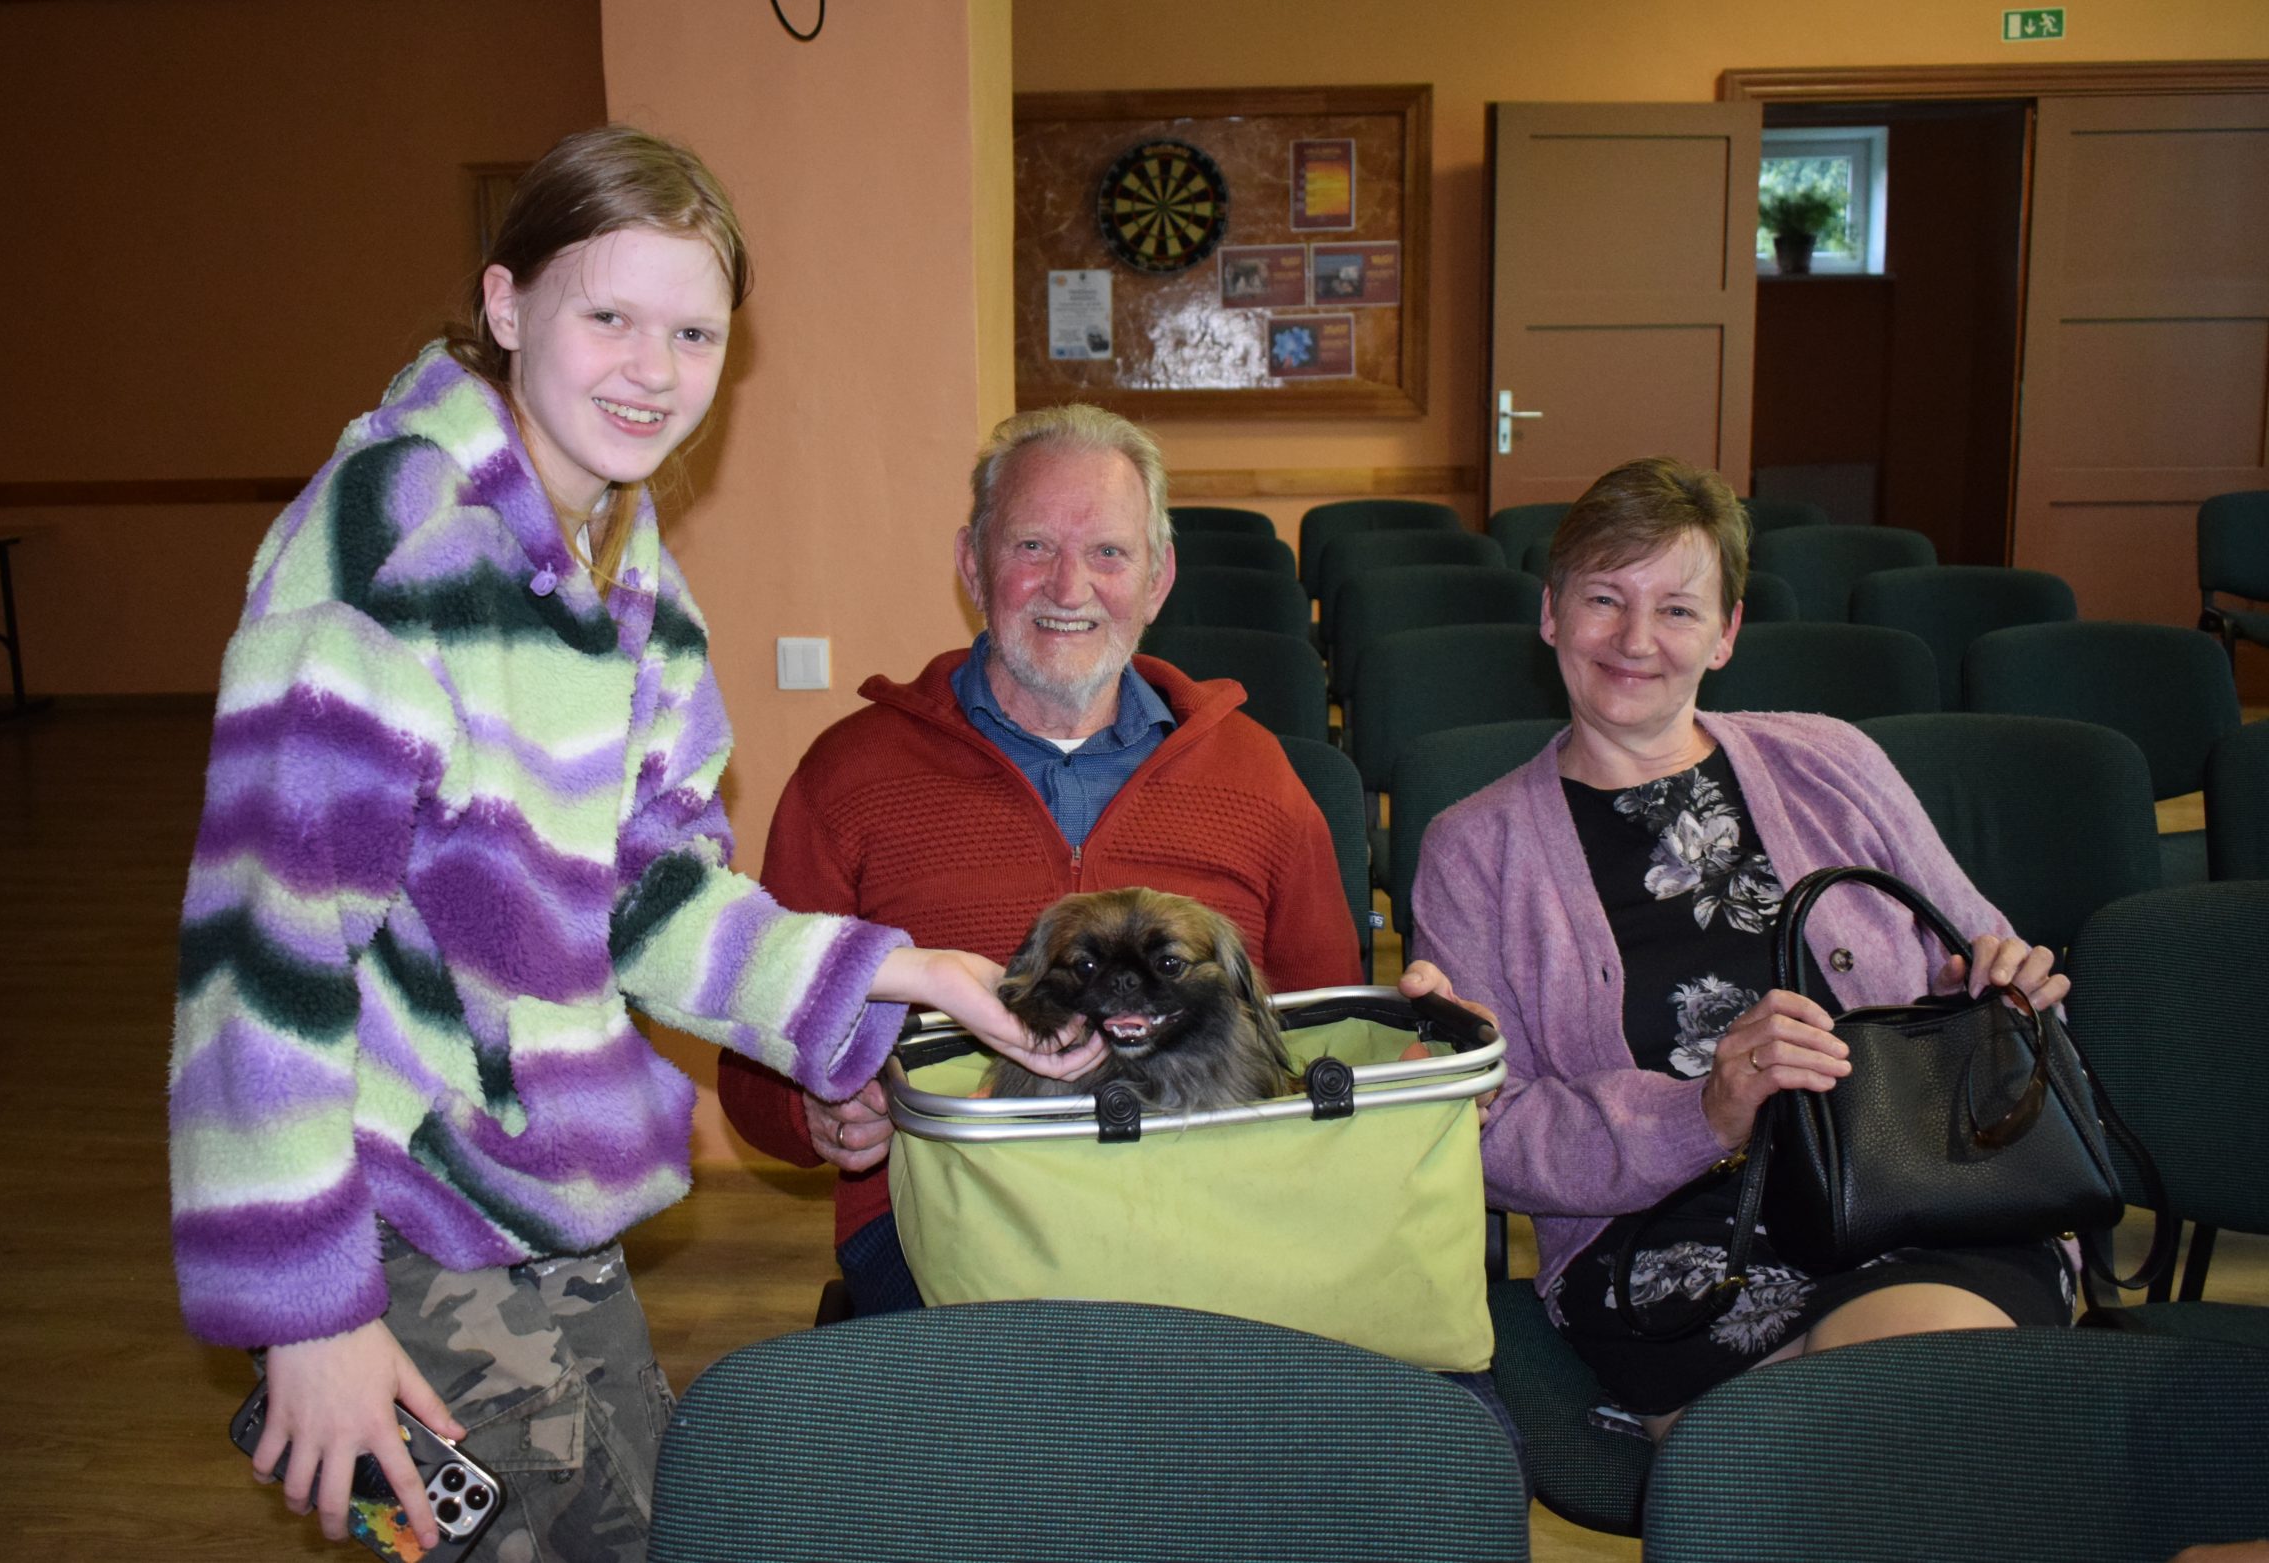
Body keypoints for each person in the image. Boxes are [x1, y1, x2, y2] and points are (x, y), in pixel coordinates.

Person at [166, 125, 1096, 1561]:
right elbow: (263, 943)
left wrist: (899, 973)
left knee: (661, 1523)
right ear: (505, 303)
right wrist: (308, 1312)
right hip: (394, 1211)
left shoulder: (633, 575)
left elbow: (651, 897)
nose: (652, 370)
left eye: (693, 333)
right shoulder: (389, 538)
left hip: (548, 1198)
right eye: (609, 316)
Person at [1405, 456, 2076, 1437]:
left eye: (1677, 609)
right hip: (1662, 1244)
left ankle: (1736, 1458)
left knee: (1891, 1401)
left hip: (1912, 1196)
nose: (1636, 640)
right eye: (1604, 599)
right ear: (1551, 613)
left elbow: (1978, 953)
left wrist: (1999, 984)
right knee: (1887, 1433)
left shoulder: (1833, 761)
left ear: (1725, 635)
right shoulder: (1473, 849)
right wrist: (1704, 1114)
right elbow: (1489, 1136)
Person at [715, 403, 1372, 1316]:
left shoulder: (1258, 776)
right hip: (950, 1220)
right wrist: (817, 1109)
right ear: (972, 564)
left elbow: (1334, 1032)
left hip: (1217, 1206)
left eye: (1108, 552)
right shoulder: (848, 776)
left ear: (1157, 577)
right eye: (1032, 546)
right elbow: (754, 1059)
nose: (1070, 585)